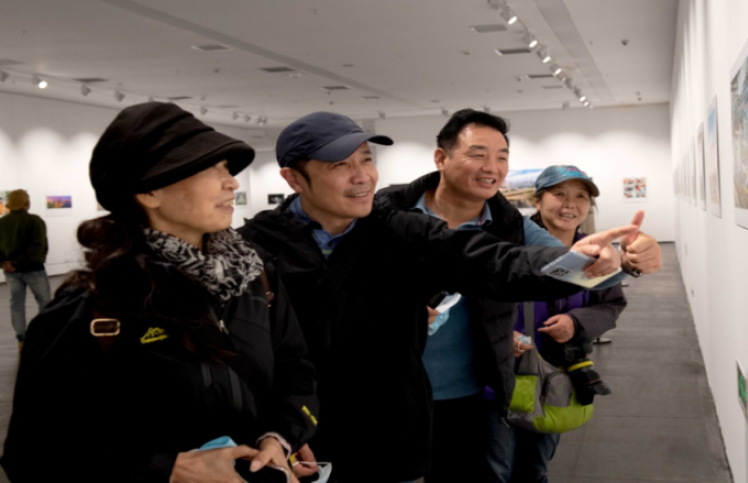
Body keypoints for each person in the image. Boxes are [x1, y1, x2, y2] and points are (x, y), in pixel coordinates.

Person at [237, 111, 639, 482]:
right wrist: (280, 430)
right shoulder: (255, 247)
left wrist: (584, 262)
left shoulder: (398, 230)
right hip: (298, 430)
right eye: (340, 165)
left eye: (366, 160)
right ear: (293, 178)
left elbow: (496, 262)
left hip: (390, 428)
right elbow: (250, 356)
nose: (362, 176)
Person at [1, 103, 319, 483]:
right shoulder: (92, 309)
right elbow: (31, 455)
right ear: (149, 192)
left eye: (227, 167)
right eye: (211, 169)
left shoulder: (255, 277)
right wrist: (168, 469)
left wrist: (279, 437)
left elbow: (295, 369)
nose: (232, 182)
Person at [375, 110, 662, 483]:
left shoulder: (513, 227)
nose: (491, 167)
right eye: (478, 154)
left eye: (502, 156)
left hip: (470, 394)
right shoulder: (384, 213)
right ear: (441, 158)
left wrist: (625, 261)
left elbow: (559, 263)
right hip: (386, 388)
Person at [485, 165, 635, 483]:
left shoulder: (595, 254)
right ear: (537, 201)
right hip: (499, 378)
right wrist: (501, 335)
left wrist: (576, 322)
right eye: (559, 194)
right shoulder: (507, 246)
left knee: (535, 469)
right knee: (495, 470)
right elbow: (473, 300)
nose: (570, 204)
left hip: (553, 378)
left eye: (581, 196)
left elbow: (610, 304)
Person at [0, 189, 51, 350]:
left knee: (16, 304)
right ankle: (43, 335)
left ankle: (21, 340)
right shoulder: (35, 221)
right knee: (44, 302)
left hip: (11, 272)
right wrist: (17, 263)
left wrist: (4, 264)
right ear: (26, 203)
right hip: (33, 270)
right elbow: (38, 247)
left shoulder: (2, 222)